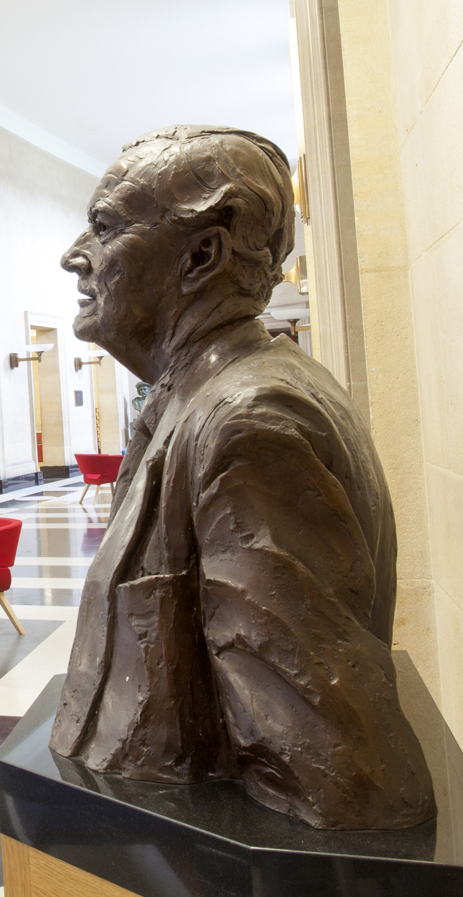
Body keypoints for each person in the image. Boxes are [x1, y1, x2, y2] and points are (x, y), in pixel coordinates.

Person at [51, 125, 434, 830]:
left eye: (104, 229)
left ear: (202, 255)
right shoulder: (192, 399)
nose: (75, 257)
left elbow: (336, 772)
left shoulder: (246, 422)